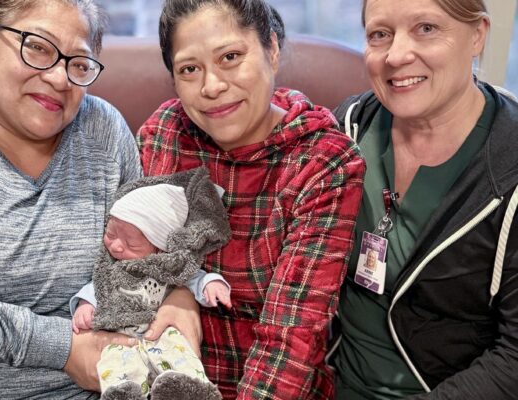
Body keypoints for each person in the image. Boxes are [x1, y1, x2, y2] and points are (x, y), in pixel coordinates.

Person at [0, 0, 201, 398]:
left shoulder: (103, 131)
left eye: (79, 64)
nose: (58, 77)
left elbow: (146, 250)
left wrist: (180, 295)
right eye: (37, 47)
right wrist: (65, 348)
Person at [137, 1, 366, 398]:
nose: (211, 86)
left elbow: (290, 338)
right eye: (189, 69)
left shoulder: (322, 163)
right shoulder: (164, 135)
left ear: (272, 49)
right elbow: (129, 262)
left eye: (230, 57)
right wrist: (178, 290)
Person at [330, 0, 518, 399]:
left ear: (478, 35)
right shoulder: (347, 130)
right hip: (323, 380)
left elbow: (514, 357)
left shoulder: (510, 168)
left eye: (426, 28)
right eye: (379, 34)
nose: (396, 55)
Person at [70, 170, 232, 399]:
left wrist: (212, 284)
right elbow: (97, 288)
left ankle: (186, 388)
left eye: (131, 243)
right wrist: (84, 306)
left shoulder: (168, 266)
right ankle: (125, 394)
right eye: (111, 233)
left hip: (161, 332)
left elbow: (194, 278)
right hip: (120, 336)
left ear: (159, 248)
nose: (116, 246)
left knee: (178, 351)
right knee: (114, 362)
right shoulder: (111, 268)